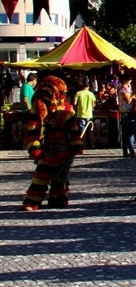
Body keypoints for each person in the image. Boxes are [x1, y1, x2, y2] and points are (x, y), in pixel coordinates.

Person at [21, 76, 84, 210]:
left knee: (61, 177)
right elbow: (33, 130)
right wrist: (35, 148)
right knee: (41, 176)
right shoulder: (38, 111)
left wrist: (76, 145)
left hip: (63, 149)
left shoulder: (66, 111)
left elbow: (73, 130)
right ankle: (33, 200)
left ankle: (58, 198)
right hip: (47, 150)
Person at [118, 76, 136, 157]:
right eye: (129, 79)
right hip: (128, 112)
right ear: (125, 80)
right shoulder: (124, 90)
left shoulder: (122, 89)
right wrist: (133, 95)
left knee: (125, 132)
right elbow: (128, 100)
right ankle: (131, 151)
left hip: (124, 112)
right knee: (130, 132)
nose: (130, 81)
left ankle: (125, 151)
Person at [73, 80, 96, 147]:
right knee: (90, 130)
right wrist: (91, 108)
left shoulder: (78, 93)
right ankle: (92, 145)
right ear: (88, 87)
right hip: (89, 114)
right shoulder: (91, 94)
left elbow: (74, 103)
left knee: (82, 130)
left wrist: (75, 110)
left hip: (80, 114)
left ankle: (84, 145)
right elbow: (93, 104)